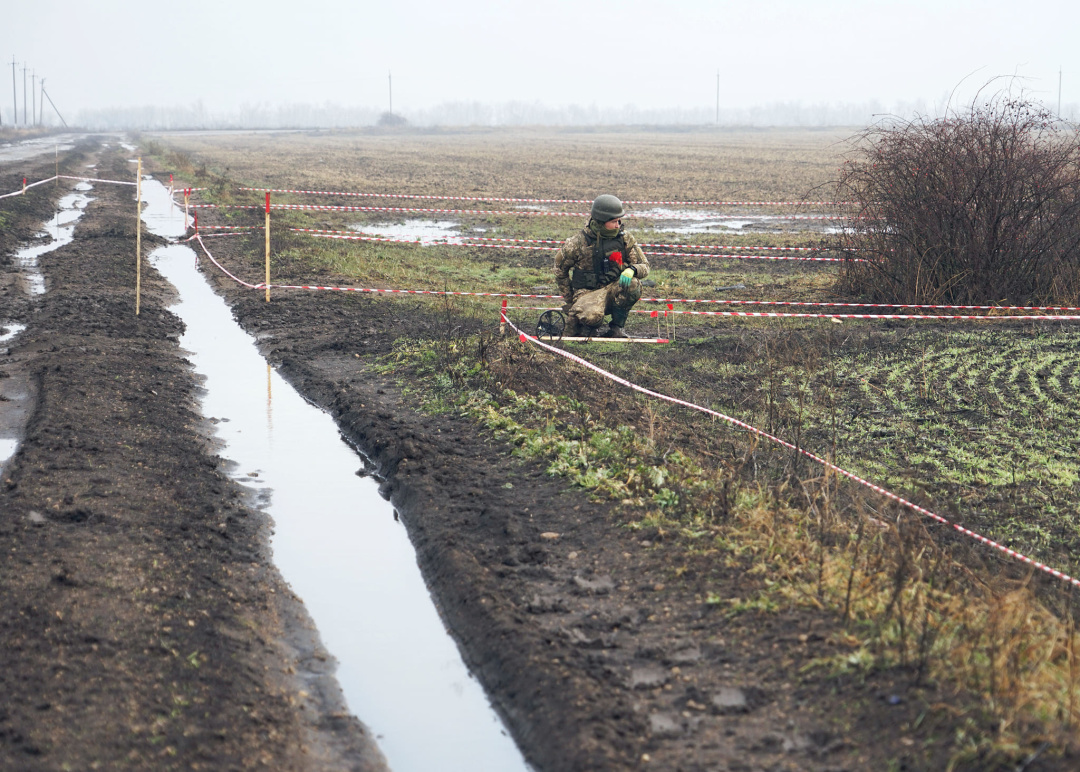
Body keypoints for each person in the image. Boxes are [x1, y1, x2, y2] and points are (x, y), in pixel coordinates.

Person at [553, 194, 650, 338]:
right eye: (614, 221)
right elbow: (560, 271)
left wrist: (632, 269)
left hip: (612, 289)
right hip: (586, 294)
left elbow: (645, 266)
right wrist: (570, 299)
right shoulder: (577, 243)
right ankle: (584, 323)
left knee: (633, 284)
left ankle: (617, 328)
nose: (618, 225)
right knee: (592, 318)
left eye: (619, 221)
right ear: (601, 221)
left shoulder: (624, 238)